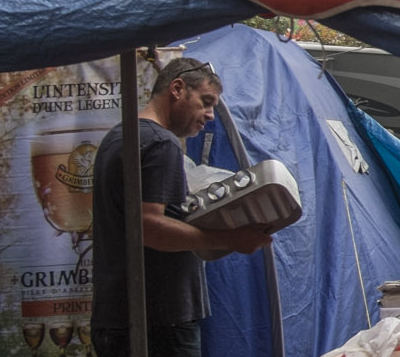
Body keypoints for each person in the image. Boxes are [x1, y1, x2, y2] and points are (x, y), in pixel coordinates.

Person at [91, 57, 273, 357]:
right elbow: (149, 227)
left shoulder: (118, 136)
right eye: (205, 101)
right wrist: (232, 239)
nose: (211, 115)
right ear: (177, 89)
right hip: (159, 323)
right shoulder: (162, 143)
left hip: (115, 317)